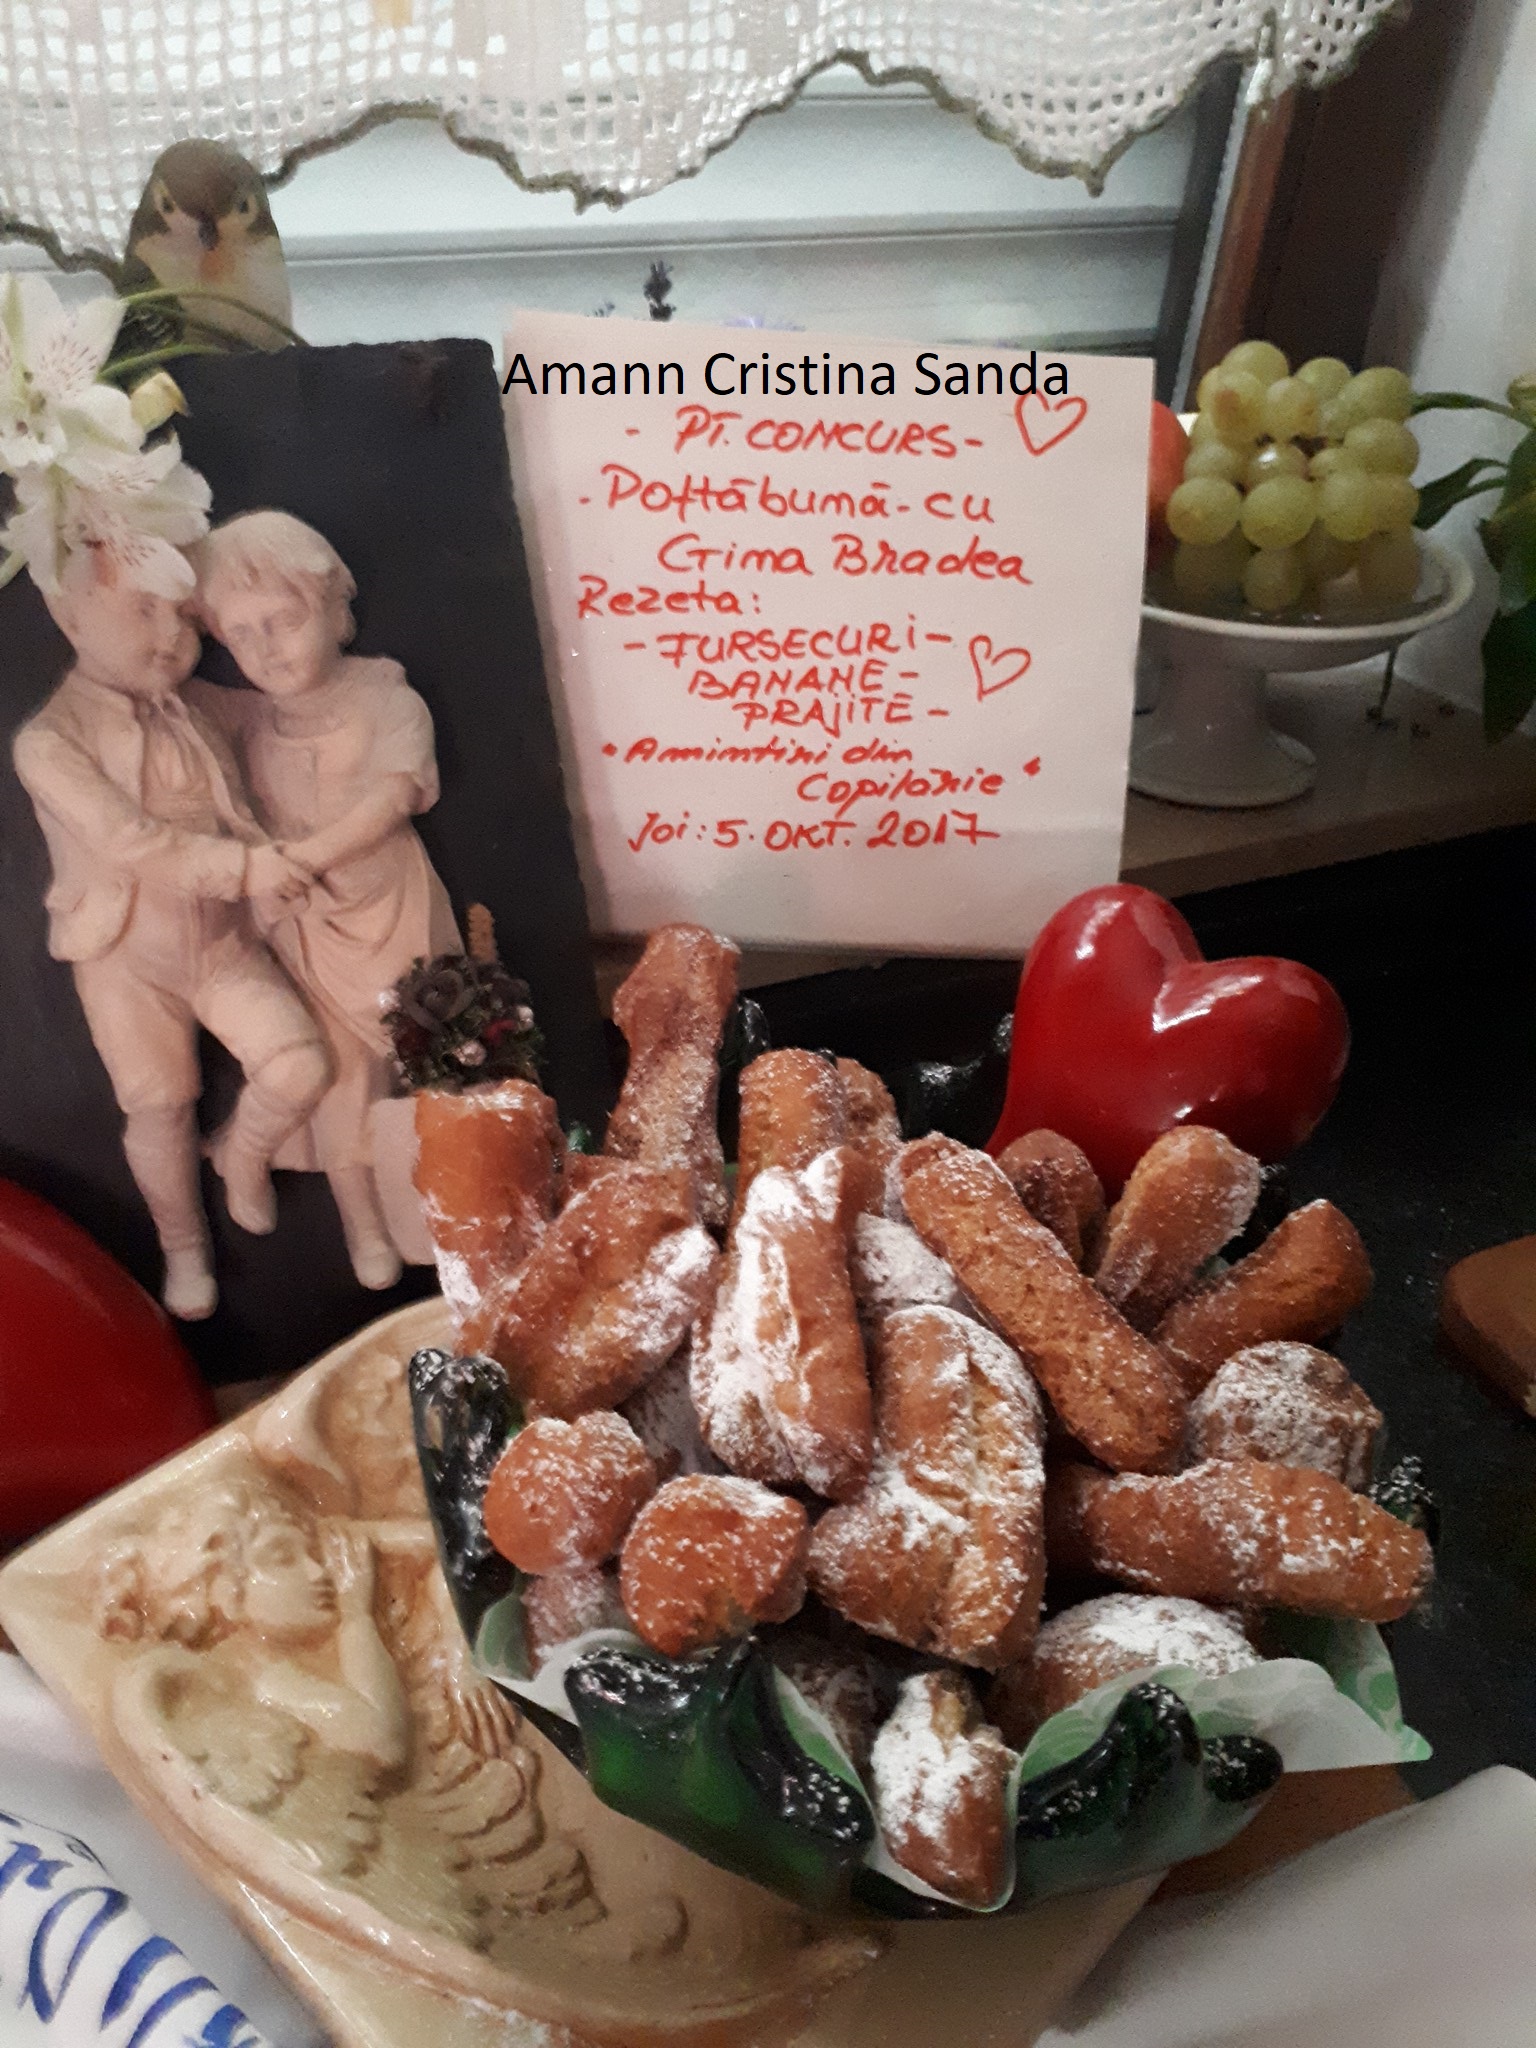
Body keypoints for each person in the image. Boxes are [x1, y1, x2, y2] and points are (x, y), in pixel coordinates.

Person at [12, 548, 331, 1321]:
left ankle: (242, 1153)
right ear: (70, 617)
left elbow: (278, 714)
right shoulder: (49, 742)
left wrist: (352, 694)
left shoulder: (195, 705)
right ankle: (184, 1246)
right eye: (144, 611)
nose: (172, 636)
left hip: (224, 945)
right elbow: (133, 841)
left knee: (300, 1066)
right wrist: (249, 868)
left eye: (185, 617)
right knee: (159, 1104)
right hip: (126, 958)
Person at [193, 512, 459, 1291]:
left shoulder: (386, 699)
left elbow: (390, 802)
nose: (265, 649)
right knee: (344, 1084)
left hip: (393, 918)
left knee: (431, 1064)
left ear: (336, 610)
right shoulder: (246, 718)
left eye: (283, 621)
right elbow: (159, 697)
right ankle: (364, 1230)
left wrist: (299, 859)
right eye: (240, 634)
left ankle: (450, 1216)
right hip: (307, 930)